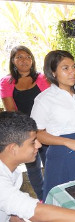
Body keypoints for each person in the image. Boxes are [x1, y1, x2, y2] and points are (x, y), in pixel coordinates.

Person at [30, 50, 75, 200]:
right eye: (65, 68)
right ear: (53, 72)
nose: (72, 72)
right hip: (62, 155)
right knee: (66, 200)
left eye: (74, 67)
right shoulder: (44, 99)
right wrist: (66, 141)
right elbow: (38, 133)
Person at [0, 45, 50, 201]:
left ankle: (54, 193)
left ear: (32, 59)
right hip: (25, 132)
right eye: (19, 57)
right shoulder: (6, 82)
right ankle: (43, 198)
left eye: (27, 56)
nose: (24, 60)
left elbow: (50, 104)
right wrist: (27, 131)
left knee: (50, 162)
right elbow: (11, 110)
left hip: (45, 129)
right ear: (13, 61)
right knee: (33, 167)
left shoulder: (42, 78)